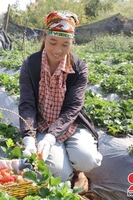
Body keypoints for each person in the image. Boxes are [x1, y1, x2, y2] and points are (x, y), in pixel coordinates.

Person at [18, 10, 103, 194]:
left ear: (72, 42)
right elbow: (27, 104)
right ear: (44, 36)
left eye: (66, 44)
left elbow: (73, 108)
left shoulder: (79, 68)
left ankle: (79, 171)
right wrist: (28, 137)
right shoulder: (31, 65)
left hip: (70, 124)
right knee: (58, 173)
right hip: (42, 124)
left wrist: (51, 137)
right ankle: (71, 173)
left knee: (86, 159)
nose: (58, 50)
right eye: (53, 42)